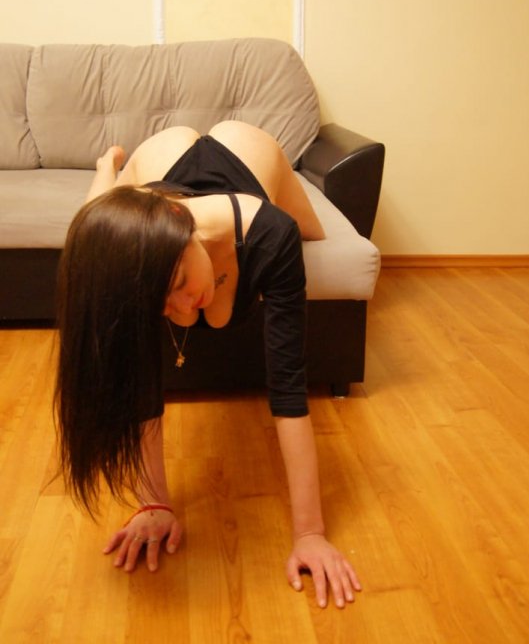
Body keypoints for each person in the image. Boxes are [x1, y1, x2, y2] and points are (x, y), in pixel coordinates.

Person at [54, 120, 361, 610]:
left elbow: (288, 388)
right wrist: (154, 502)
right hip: (160, 156)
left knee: (312, 230)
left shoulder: (269, 232)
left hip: (246, 148)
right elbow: (141, 385)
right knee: (91, 225)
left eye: (180, 283)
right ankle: (107, 164)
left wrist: (310, 533)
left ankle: (117, 167)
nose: (182, 308)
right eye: (164, 305)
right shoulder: (143, 256)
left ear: (180, 220)